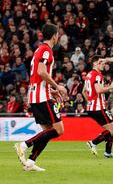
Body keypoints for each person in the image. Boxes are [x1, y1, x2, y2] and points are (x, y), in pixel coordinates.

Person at [14, 24, 67, 171]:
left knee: (47, 131)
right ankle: (23, 145)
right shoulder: (46, 50)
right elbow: (42, 72)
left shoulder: (39, 49)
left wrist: (50, 89)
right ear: (54, 35)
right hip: (41, 97)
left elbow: (38, 76)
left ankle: (30, 162)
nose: (58, 37)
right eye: (58, 34)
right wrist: (57, 86)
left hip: (36, 94)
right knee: (59, 130)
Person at [83, 55, 113, 158]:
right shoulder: (97, 75)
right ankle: (93, 143)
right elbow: (98, 90)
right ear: (95, 63)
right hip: (98, 107)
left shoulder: (89, 75)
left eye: (104, 63)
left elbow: (84, 91)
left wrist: (90, 102)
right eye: (101, 63)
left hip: (92, 108)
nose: (103, 65)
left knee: (109, 130)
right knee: (112, 130)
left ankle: (108, 152)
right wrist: (111, 87)